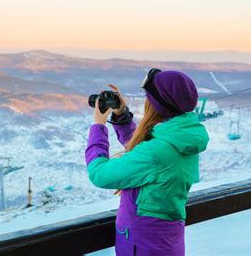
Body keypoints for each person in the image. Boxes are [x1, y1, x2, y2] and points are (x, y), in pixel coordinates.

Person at [85, 68, 210, 256]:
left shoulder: (157, 151)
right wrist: (122, 116)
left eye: (149, 98)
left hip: (143, 245)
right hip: (165, 241)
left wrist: (98, 126)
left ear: (157, 105)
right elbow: (143, 156)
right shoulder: (182, 137)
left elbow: (99, 174)